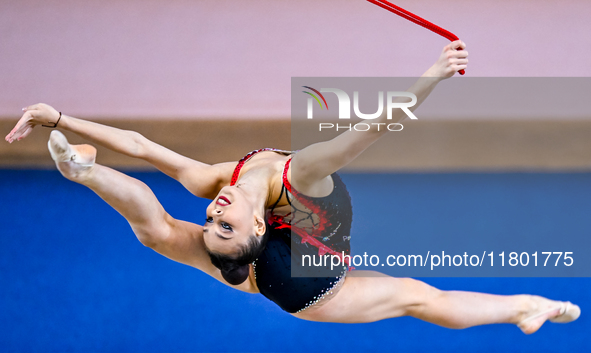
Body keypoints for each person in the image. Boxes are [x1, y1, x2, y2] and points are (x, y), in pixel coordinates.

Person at [5, 41, 580, 334]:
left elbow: (139, 144)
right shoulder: (299, 181)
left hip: (274, 258)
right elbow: (372, 128)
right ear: (258, 227)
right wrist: (434, 73)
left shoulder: (216, 185)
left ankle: (81, 172)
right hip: (300, 282)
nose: (214, 211)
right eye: (223, 223)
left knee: (158, 235)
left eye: (213, 220)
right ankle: (525, 306)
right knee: (416, 296)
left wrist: (61, 118)